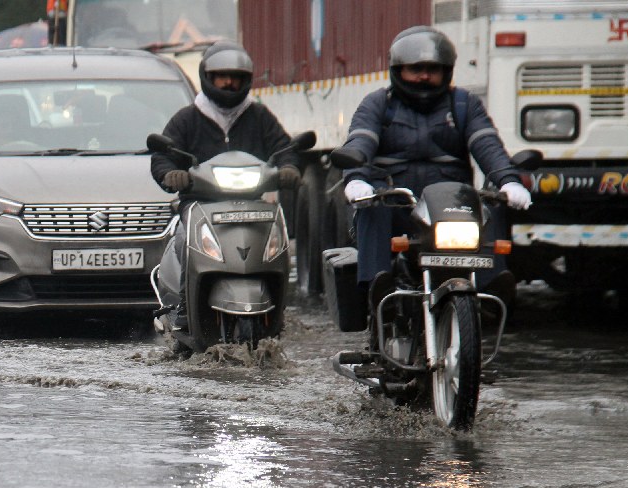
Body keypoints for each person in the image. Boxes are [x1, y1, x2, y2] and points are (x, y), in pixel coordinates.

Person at [339, 26, 530, 316]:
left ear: (447, 71)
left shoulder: (464, 104)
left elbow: (487, 144)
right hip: (398, 203)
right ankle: (378, 286)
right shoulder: (378, 103)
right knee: (372, 204)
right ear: (398, 70)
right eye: (416, 69)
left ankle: (491, 284)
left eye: (433, 69)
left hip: (451, 206)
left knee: (491, 199)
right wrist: (355, 179)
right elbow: (361, 141)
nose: (424, 76)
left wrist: (509, 181)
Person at [149, 40, 302, 330]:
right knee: (185, 241)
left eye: (236, 77)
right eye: (222, 77)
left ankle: (279, 309)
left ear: (246, 80)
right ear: (208, 77)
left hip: (253, 204)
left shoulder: (259, 116)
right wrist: (171, 174)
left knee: (277, 242)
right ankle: (185, 310)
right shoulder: (188, 118)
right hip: (200, 203)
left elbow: (284, 148)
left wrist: (289, 168)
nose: (229, 83)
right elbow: (163, 156)